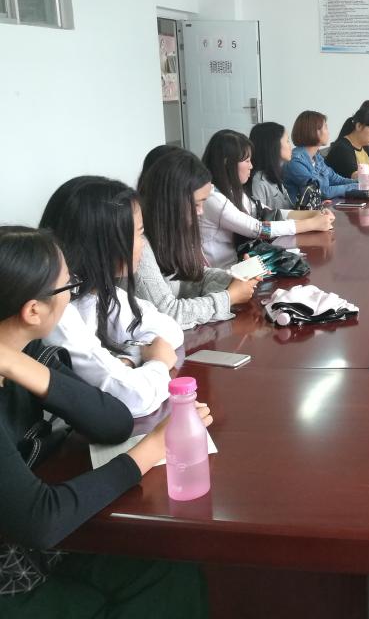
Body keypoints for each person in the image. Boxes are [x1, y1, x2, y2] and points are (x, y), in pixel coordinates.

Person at [0, 226, 211, 617]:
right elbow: (41, 520)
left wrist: (16, 363)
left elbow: (112, 422)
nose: (72, 295)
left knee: (172, 568)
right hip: (11, 576)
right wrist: (151, 449)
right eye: (68, 287)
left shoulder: (26, 353)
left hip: (31, 545)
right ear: (32, 311)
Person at [39, 177, 183, 417]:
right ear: (101, 241)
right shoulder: (57, 309)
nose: (143, 245)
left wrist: (128, 359)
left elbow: (169, 329)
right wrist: (157, 362)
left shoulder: (94, 290)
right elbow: (133, 399)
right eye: (139, 234)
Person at [136, 148, 259, 329]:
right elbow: (168, 313)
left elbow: (194, 276)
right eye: (196, 204)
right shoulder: (139, 245)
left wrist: (235, 276)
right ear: (171, 202)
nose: (200, 212)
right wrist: (229, 297)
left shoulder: (173, 231)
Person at [201, 129, 334, 269]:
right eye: (247, 161)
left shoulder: (233, 190)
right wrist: (311, 224)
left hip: (241, 265)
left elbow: (269, 212)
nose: (251, 166)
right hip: (224, 272)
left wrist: (313, 214)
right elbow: (258, 229)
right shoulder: (213, 198)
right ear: (227, 163)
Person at [282, 110, 358, 202]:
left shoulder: (317, 157)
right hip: (298, 211)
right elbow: (321, 191)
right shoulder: (296, 161)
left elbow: (336, 179)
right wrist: (356, 186)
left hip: (318, 207)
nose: (328, 132)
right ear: (314, 131)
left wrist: (360, 182)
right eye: (325, 127)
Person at [249, 121, 297, 210]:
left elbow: (288, 209)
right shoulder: (259, 181)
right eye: (287, 141)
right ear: (274, 145)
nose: (291, 146)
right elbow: (260, 216)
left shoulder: (274, 173)